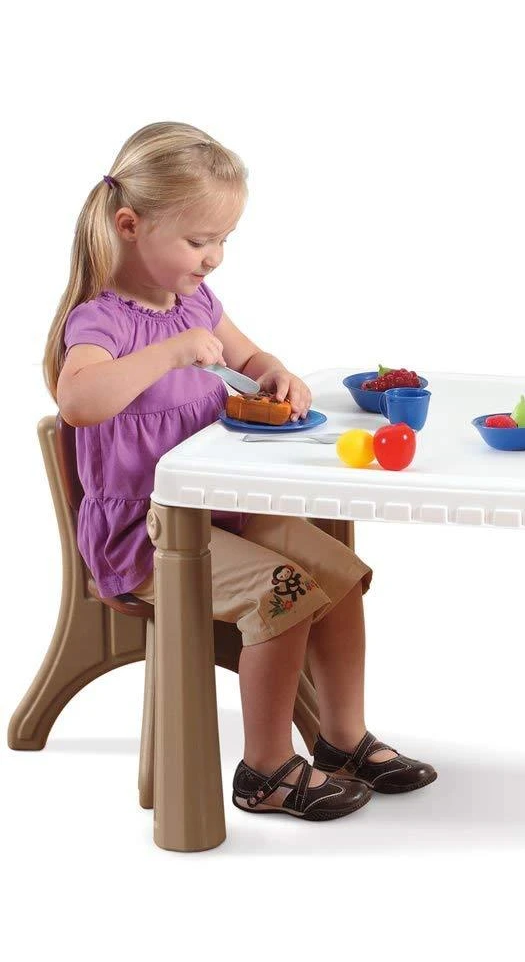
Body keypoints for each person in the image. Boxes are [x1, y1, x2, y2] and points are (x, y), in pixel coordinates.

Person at [44, 121, 436, 821]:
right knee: (284, 593)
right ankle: (266, 769)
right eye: (199, 240)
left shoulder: (197, 304)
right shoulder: (102, 321)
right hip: (145, 537)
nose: (215, 257)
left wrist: (277, 373)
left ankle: (342, 740)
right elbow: (76, 401)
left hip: (222, 511)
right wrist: (169, 354)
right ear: (130, 226)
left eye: (223, 239)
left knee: (340, 575)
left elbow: (250, 359)